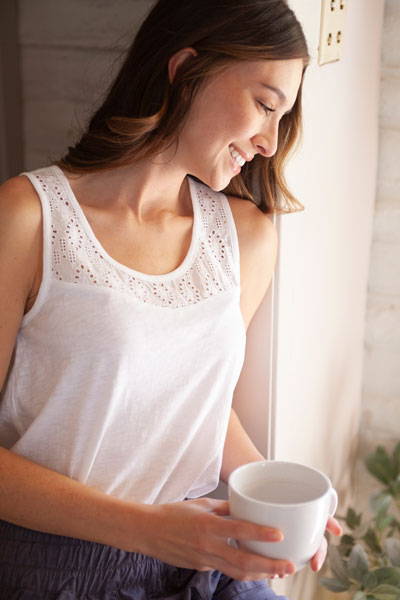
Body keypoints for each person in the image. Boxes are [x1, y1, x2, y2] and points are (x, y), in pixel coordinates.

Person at [0, 0, 342, 598]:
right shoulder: (30, 218)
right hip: (56, 570)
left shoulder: (246, 236)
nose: (269, 142)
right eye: (265, 105)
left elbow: (198, 405)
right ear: (186, 69)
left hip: (201, 556)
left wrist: (278, 499)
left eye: (283, 119)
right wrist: (150, 532)